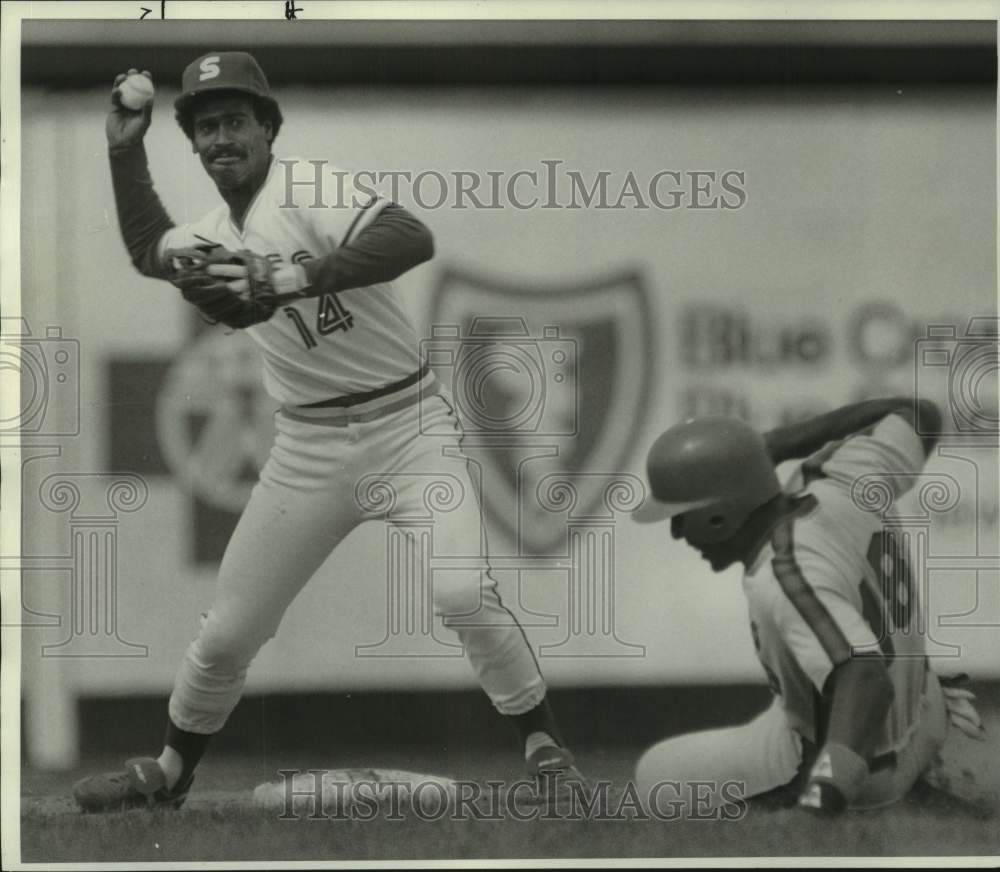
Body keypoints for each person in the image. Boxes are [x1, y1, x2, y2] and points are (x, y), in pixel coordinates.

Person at [74, 51, 581, 812]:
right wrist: (123, 149)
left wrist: (289, 277)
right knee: (227, 633)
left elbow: (410, 237)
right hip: (308, 447)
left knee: (463, 593)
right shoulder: (211, 234)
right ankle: (171, 772)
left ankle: (545, 749)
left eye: (235, 120)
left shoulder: (307, 185)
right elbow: (152, 249)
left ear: (268, 127)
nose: (220, 138)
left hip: (409, 427)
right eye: (205, 126)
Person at [631, 397, 986, 813]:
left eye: (680, 516)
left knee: (656, 777)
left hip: (866, 762)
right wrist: (775, 445)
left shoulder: (782, 574)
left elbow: (866, 680)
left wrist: (824, 799)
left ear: (718, 517)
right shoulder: (846, 477)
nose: (675, 533)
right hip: (927, 716)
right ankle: (921, 785)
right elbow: (919, 413)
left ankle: (864, 793)